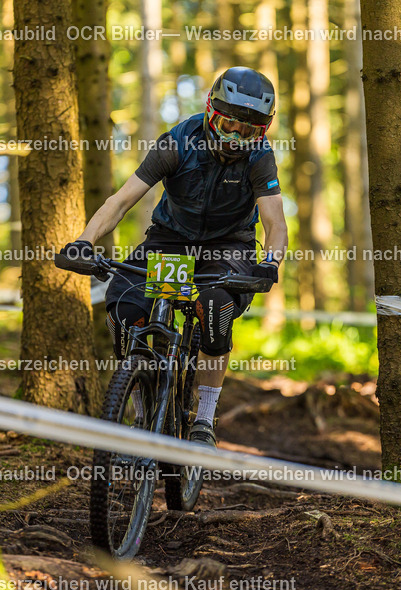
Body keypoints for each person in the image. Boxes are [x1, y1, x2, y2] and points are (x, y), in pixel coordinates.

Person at [56, 66, 288, 447]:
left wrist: (270, 263)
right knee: (124, 309)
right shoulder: (178, 142)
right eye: (228, 125)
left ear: (261, 131)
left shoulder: (260, 158)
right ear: (211, 111)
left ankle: (204, 420)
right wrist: (85, 241)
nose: (235, 138)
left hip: (228, 247)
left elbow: (275, 223)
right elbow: (121, 201)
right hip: (170, 241)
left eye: (247, 132)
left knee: (215, 308)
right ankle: (141, 406)